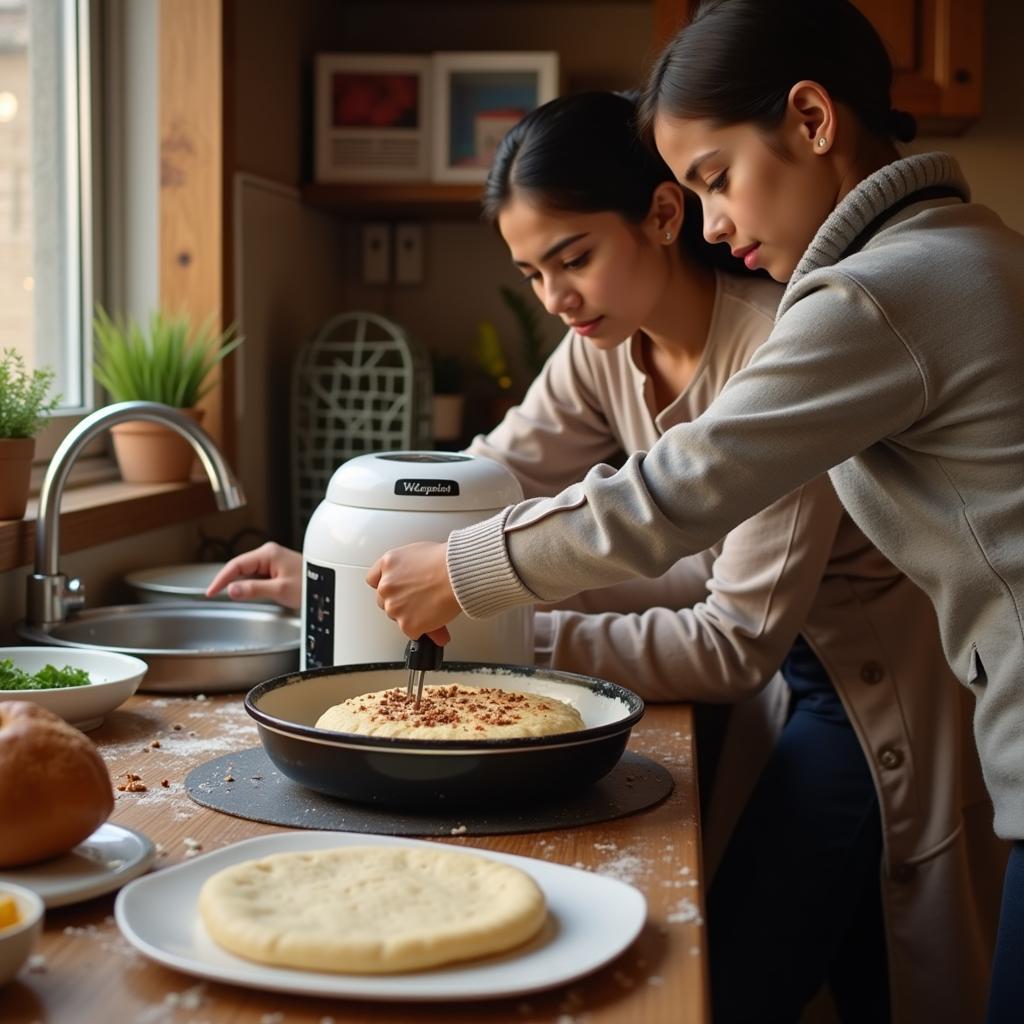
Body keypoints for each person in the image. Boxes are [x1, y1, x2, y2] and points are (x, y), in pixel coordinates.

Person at [212, 89, 1003, 1024]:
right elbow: (477, 487)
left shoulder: (778, 353)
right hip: (781, 677)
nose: (556, 298)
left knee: (755, 976)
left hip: (866, 699)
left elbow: (730, 642)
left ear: (665, 215)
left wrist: (508, 638)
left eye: (573, 258)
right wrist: (333, 568)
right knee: (841, 962)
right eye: (532, 273)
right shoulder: (600, 350)